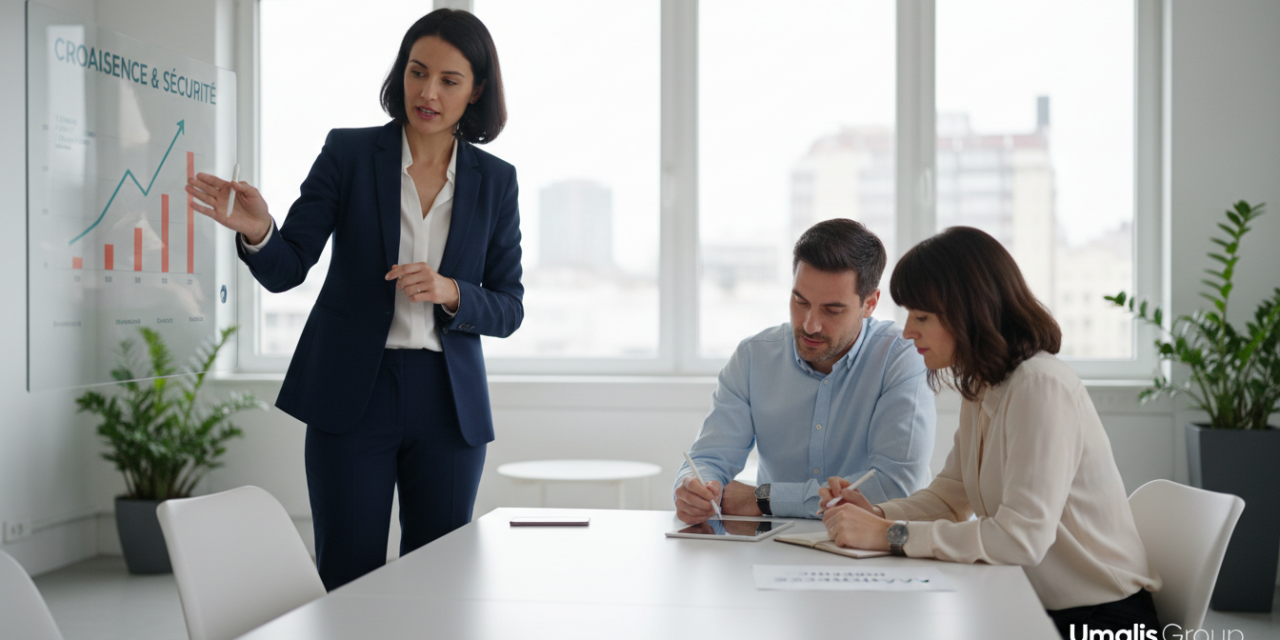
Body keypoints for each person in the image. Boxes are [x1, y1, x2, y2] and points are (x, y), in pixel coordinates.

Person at [185, 9, 522, 591]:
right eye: (418, 72)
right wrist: (259, 230)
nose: (427, 92)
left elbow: (509, 307)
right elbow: (288, 267)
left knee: (438, 582)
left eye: (449, 80)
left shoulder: (496, 181)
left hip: (449, 403)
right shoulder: (348, 153)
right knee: (347, 578)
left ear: (477, 90)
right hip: (352, 395)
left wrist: (451, 292)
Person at [819, 226, 1160, 638]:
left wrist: (889, 535)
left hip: (1103, 620)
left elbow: (1021, 540)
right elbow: (950, 496)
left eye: (922, 317)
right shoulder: (983, 383)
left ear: (968, 312)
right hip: (1033, 601)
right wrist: (876, 515)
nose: (908, 332)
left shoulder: (1039, 385)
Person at [674, 219, 935, 523]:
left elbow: (895, 486)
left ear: (870, 303)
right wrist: (693, 490)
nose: (810, 324)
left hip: (875, 547)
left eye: (832, 310)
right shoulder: (753, 357)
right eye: (800, 301)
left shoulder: (901, 357)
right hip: (775, 546)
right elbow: (707, 459)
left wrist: (764, 499)